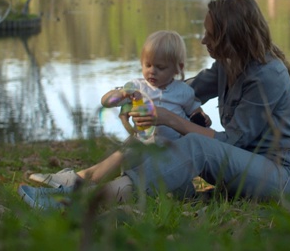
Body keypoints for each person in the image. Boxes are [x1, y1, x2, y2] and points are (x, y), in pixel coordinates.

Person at [19, 0, 290, 209]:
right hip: (246, 166)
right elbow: (184, 89)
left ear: (231, 37)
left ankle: (79, 204)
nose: (202, 40)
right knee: (156, 139)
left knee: (195, 144)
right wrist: (140, 97)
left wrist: (170, 118)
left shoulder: (267, 76)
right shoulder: (228, 63)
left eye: (210, 34)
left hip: (283, 174)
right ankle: (82, 182)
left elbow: (231, 143)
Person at [27, 30, 210, 190]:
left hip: (172, 148)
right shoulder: (138, 87)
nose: (152, 71)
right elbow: (106, 102)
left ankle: (87, 182)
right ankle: (80, 179)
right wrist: (121, 93)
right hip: (143, 145)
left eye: (160, 67)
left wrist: (202, 118)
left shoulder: (184, 92)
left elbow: (195, 113)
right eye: (148, 65)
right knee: (129, 149)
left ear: (178, 68)